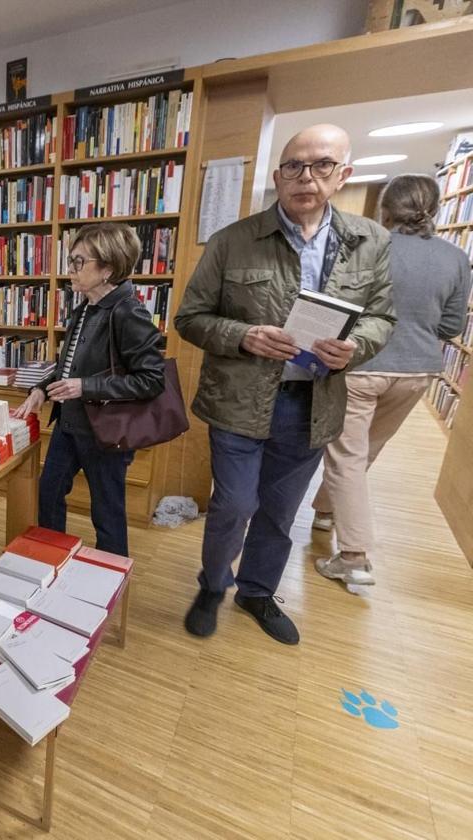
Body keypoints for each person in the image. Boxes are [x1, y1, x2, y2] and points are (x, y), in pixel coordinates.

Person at [176, 124, 395, 645]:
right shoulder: (233, 240)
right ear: (277, 176)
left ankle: (257, 591)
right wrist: (244, 335)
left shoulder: (370, 242)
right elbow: (190, 318)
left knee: (279, 510)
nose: (306, 178)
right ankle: (213, 584)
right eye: (294, 166)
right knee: (233, 504)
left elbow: (381, 318)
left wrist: (355, 347)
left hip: (312, 404)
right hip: (239, 401)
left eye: (322, 165)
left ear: (344, 175)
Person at [312, 174, 472, 592]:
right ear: (434, 209)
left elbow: (336, 307)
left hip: (362, 365)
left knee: (347, 455)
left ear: (386, 207)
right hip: (418, 371)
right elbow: (453, 324)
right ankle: (326, 512)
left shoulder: (369, 246)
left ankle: (353, 557)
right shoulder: (456, 258)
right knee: (365, 451)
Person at [12, 222, 165, 557]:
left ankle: (109, 581)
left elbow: (152, 380)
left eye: (79, 262)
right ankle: (50, 562)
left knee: (107, 512)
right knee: (49, 493)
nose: (71, 270)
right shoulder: (85, 306)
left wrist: (85, 387)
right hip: (70, 423)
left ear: (108, 268)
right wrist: (41, 388)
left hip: (105, 432)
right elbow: (69, 364)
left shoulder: (129, 313)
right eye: (71, 261)